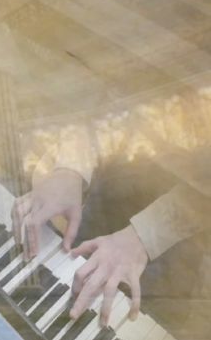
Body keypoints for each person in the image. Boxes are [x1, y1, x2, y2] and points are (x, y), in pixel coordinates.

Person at [12, 132, 211, 327]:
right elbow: (103, 114)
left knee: (130, 323)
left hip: (177, 245)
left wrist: (145, 235)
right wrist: (71, 169)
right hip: (110, 193)